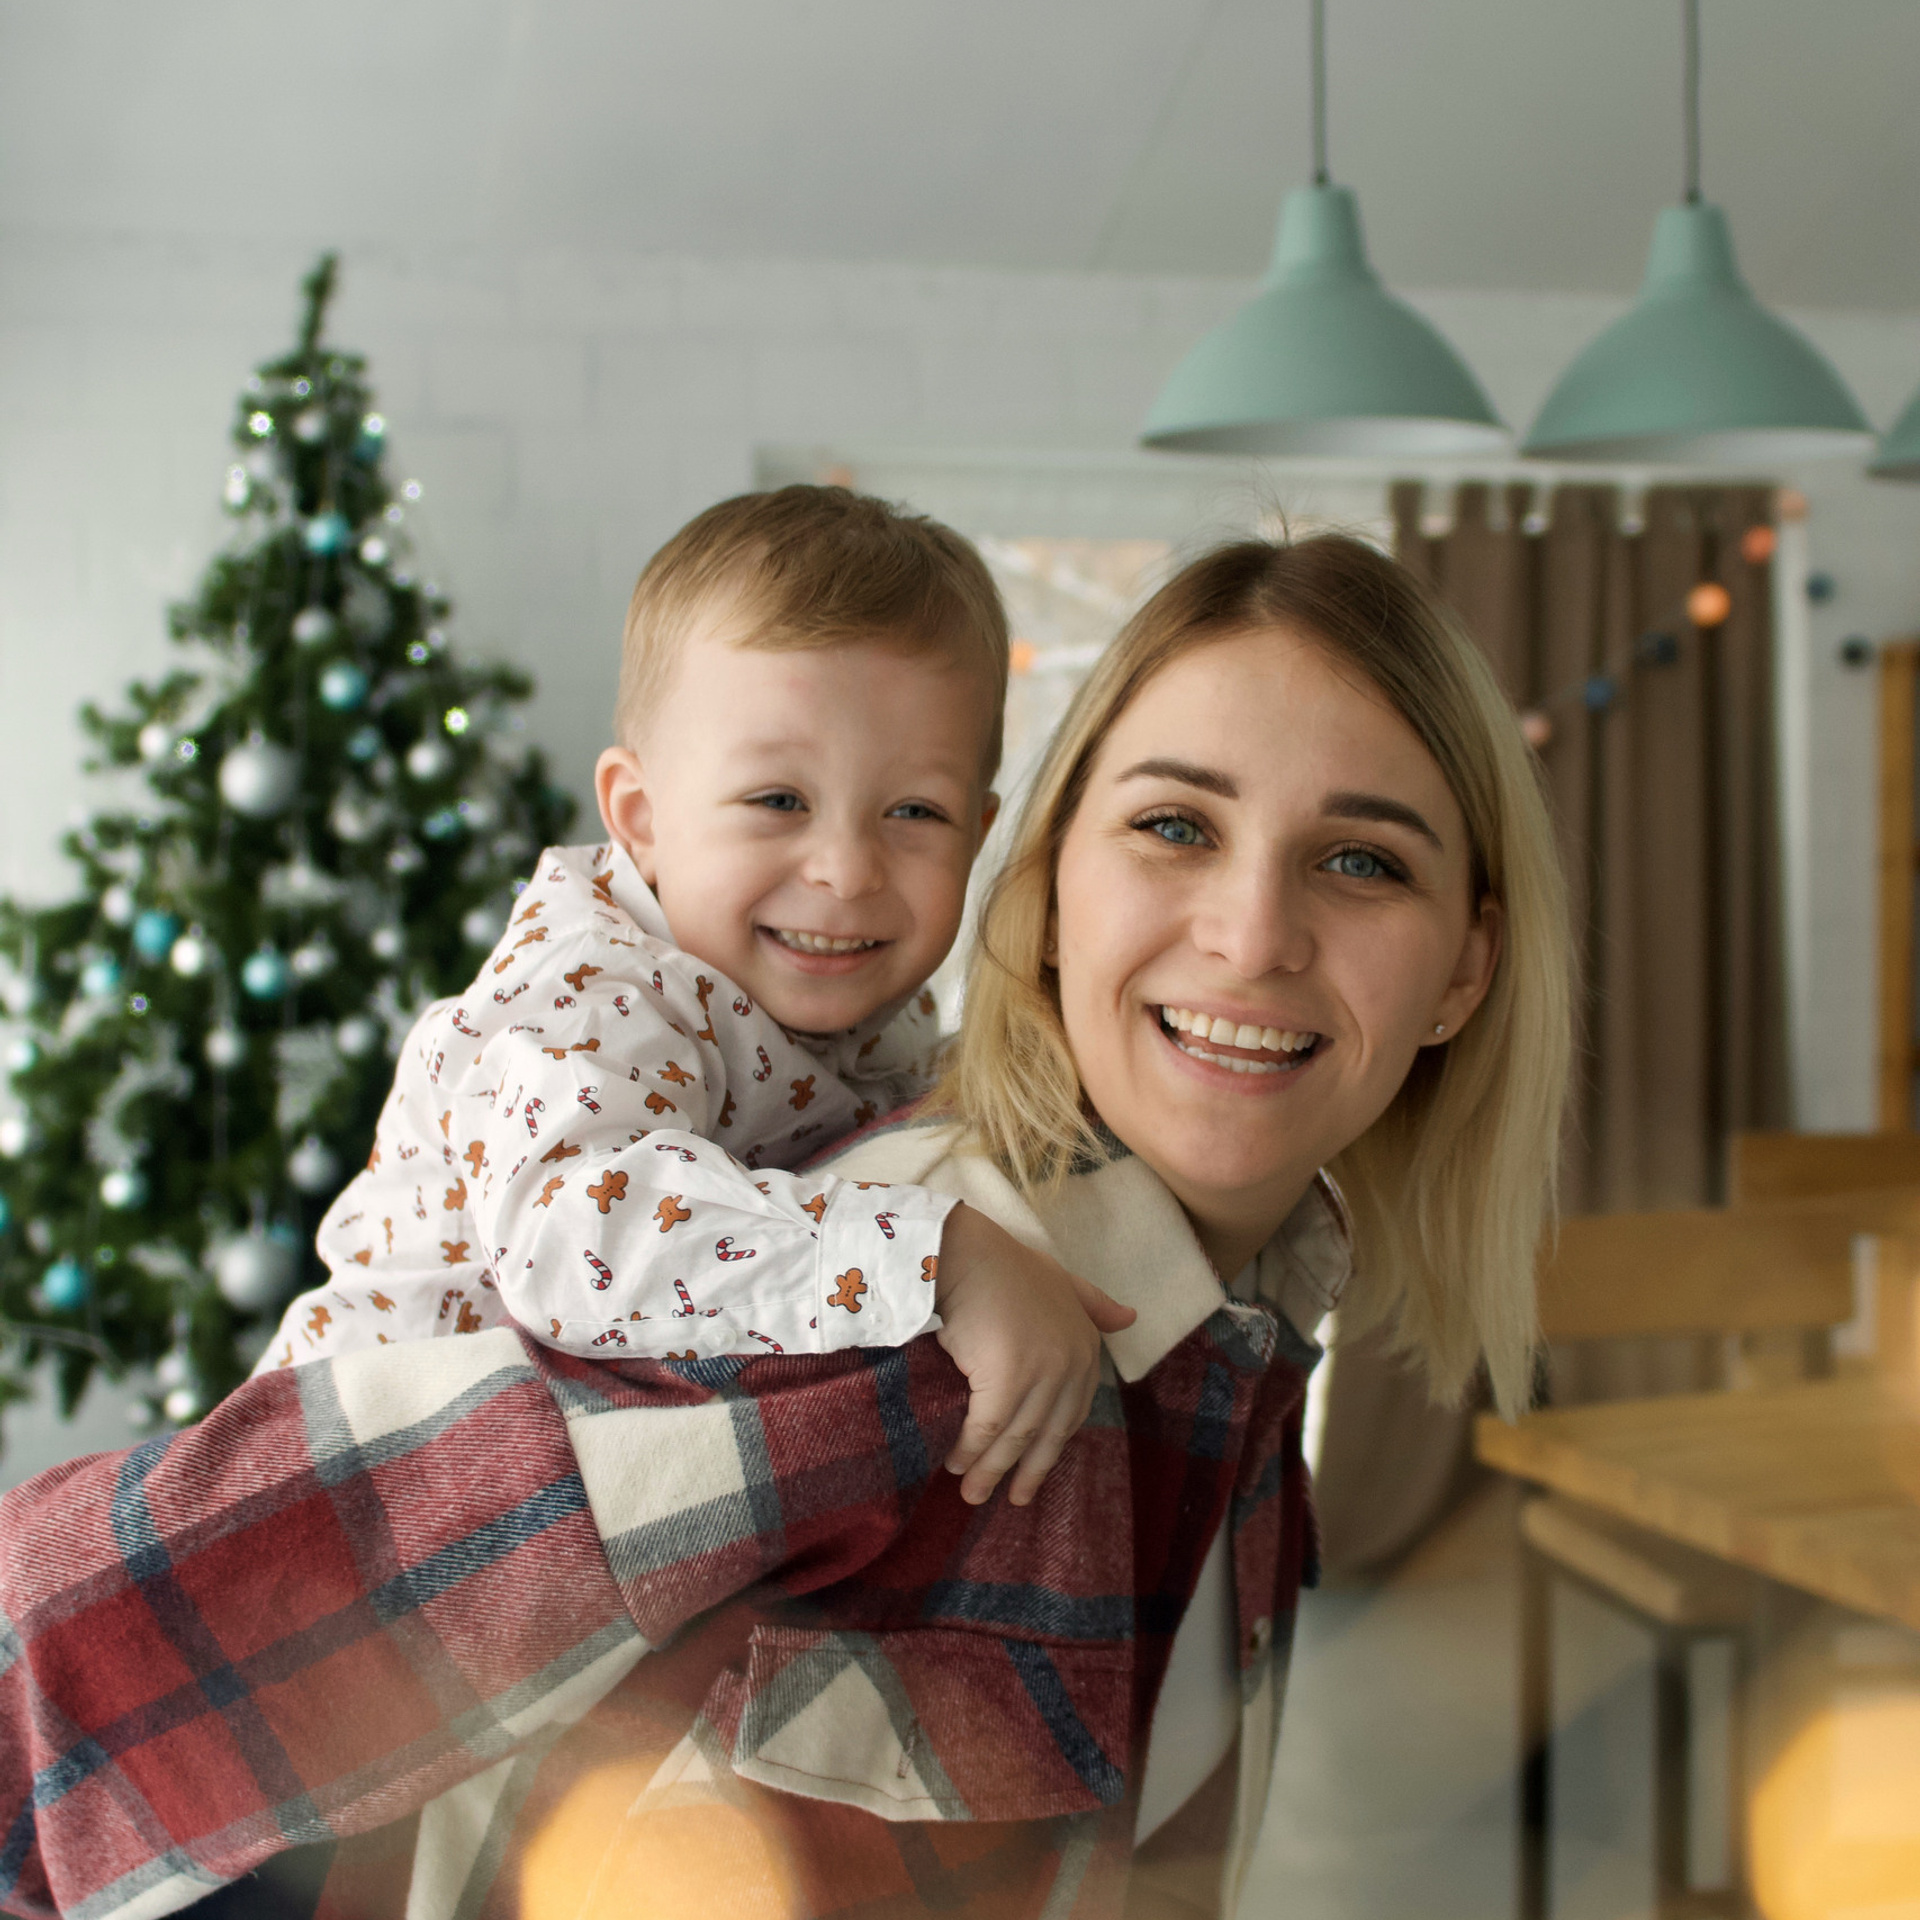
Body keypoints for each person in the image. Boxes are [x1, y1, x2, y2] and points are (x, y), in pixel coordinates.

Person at [0, 531, 1571, 1920]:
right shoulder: (871, 1320)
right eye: (1174, 826)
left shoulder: (1244, 1348)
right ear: (1050, 885)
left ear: (1462, 971)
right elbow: (95, 1622)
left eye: (1361, 861)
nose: (1252, 935)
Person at [259, 485, 1129, 1506]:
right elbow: (584, 1241)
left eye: (913, 811)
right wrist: (945, 1259)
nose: (847, 869)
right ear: (642, 818)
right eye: (777, 801)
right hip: (338, 1483)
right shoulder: (592, 989)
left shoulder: (872, 1019)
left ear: (978, 835)